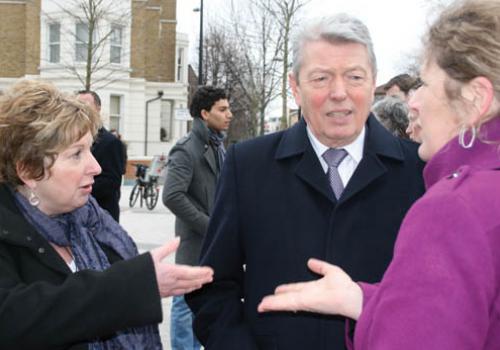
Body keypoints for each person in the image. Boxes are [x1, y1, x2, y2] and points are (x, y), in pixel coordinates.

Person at [258, 1, 500, 349]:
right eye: (322, 77)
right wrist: (363, 300)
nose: (413, 102)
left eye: (426, 84)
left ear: (476, 98)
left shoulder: (454, 208)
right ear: (295, 87)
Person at [186, 14, 425, 350]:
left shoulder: (420, 172)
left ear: (373, 84)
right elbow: (213, 286)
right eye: (321, 78)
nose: (339, 93)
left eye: (354, 77)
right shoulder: (249, 166)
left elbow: (436, 297)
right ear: (295, 87)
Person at [0, 80, 213, 349]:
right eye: (77, 154)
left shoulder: (95, 223)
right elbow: (15, 319)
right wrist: (132, 286)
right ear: (29, 171)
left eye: (90, 149)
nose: (96, 166)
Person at [162, 86, 232, 350]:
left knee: (203, 301)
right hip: (195, 242)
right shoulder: (186, 149)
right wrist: (209, 224)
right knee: (184, 302)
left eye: (228, 109)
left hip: (213, 242)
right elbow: (172, 196)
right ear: (205, 113)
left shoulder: (216, 145)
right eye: (222, 110)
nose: (229, 115)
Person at [77, 90, 125, 222]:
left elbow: (112, 181)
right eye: (77, 105)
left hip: (102, 214)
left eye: (85, 105)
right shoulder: (72, 140)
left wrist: (77, 189)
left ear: (98, 109)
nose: (81, 110)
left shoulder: (111, 142)